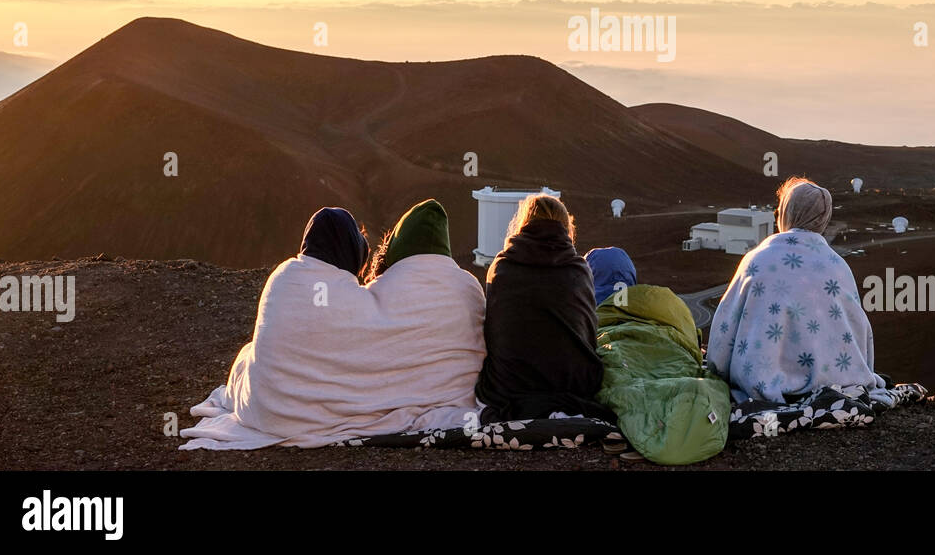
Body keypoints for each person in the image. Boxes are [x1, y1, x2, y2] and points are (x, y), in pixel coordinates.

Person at [180, 200, 486, 449]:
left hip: (265, 412)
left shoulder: (282, 277)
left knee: (249, 356)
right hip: (457, 397)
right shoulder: (467, 286)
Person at [705, 177, 883, 404]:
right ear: (824, 218)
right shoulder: (838, 266)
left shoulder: (758, 259)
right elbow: (859, 329)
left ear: (787, 211)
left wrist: (718, 370)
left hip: (762, 385)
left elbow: (725, 329)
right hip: (839, 383)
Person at [588, 246, 730, 464]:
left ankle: (659, 415)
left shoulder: (587, 310)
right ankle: (681, 403)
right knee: (673, 372)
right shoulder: (660, 303)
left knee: (621, 379)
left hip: (615, 345)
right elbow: (690, 336)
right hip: (668, 343)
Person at [475, 193, 610, 422]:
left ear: (522, 224)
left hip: (510, 387)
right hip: (575, 385)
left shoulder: (502, 267)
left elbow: (495, 329)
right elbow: (587, 333)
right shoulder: (579, 269)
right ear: (566, 227)